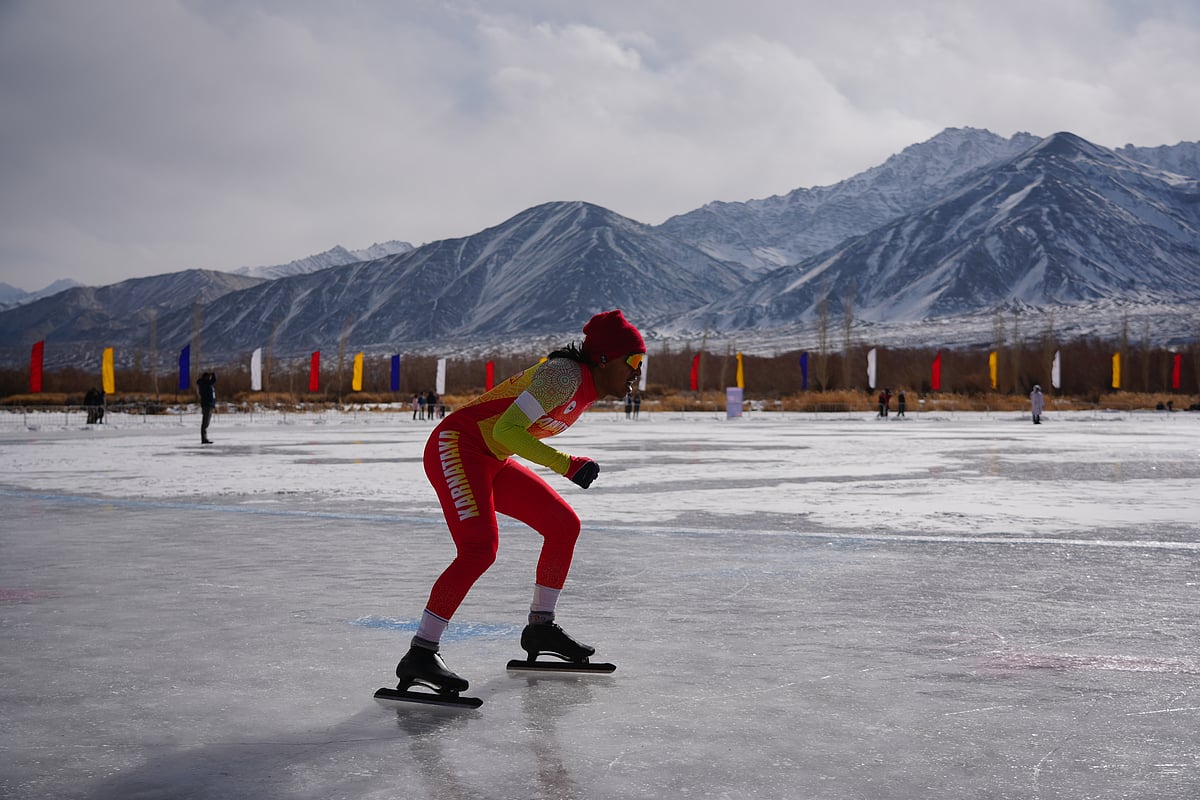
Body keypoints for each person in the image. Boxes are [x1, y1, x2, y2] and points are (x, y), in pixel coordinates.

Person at [394, 309, 646, 697]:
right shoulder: (564, 377)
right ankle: (422, 652)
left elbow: (504, 436)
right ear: (604, 359)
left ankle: (541, 628)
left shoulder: (586, 388)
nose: (637, 372)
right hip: (457, 446)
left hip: (491, 457)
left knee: (564, 526)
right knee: (479, 550)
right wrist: (566, 464)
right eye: (633, 361)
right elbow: (506, 430)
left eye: (642, 363)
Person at [197, 371, 216, 443]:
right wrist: (213, 374)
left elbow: (213, 381)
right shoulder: (204, 384)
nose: (209, 378)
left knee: (206, 423)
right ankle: (204, 439)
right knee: (205, 423)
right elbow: (213, 381)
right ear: (205, 377)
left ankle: (204, 438)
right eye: (208, 377)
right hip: (207, 405)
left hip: (209, 405)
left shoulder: (206, 383)